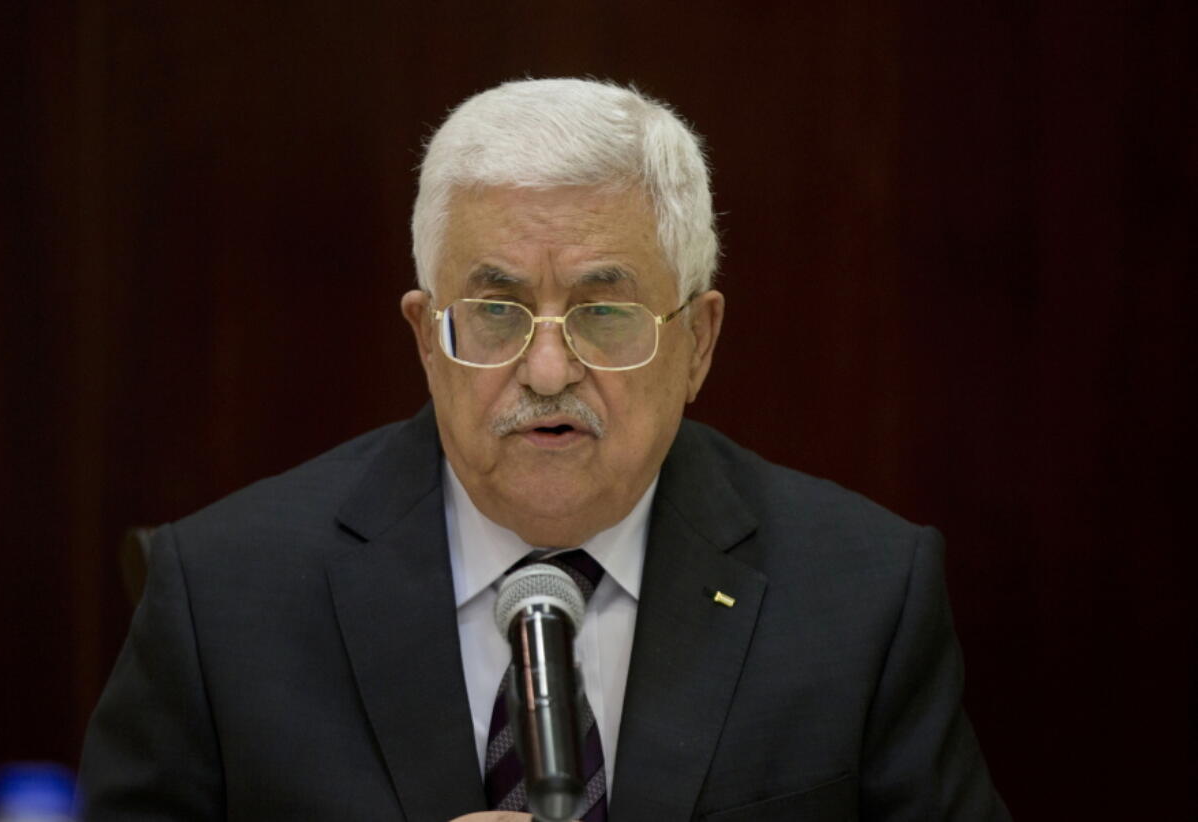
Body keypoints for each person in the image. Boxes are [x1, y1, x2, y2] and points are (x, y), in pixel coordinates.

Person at [79, 78, 1010, 821]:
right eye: (495, 312)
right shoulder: (221, 598)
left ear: (697, 343)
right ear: (424, 338)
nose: (550, 368)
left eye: (606, 310)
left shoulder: (860, 597)